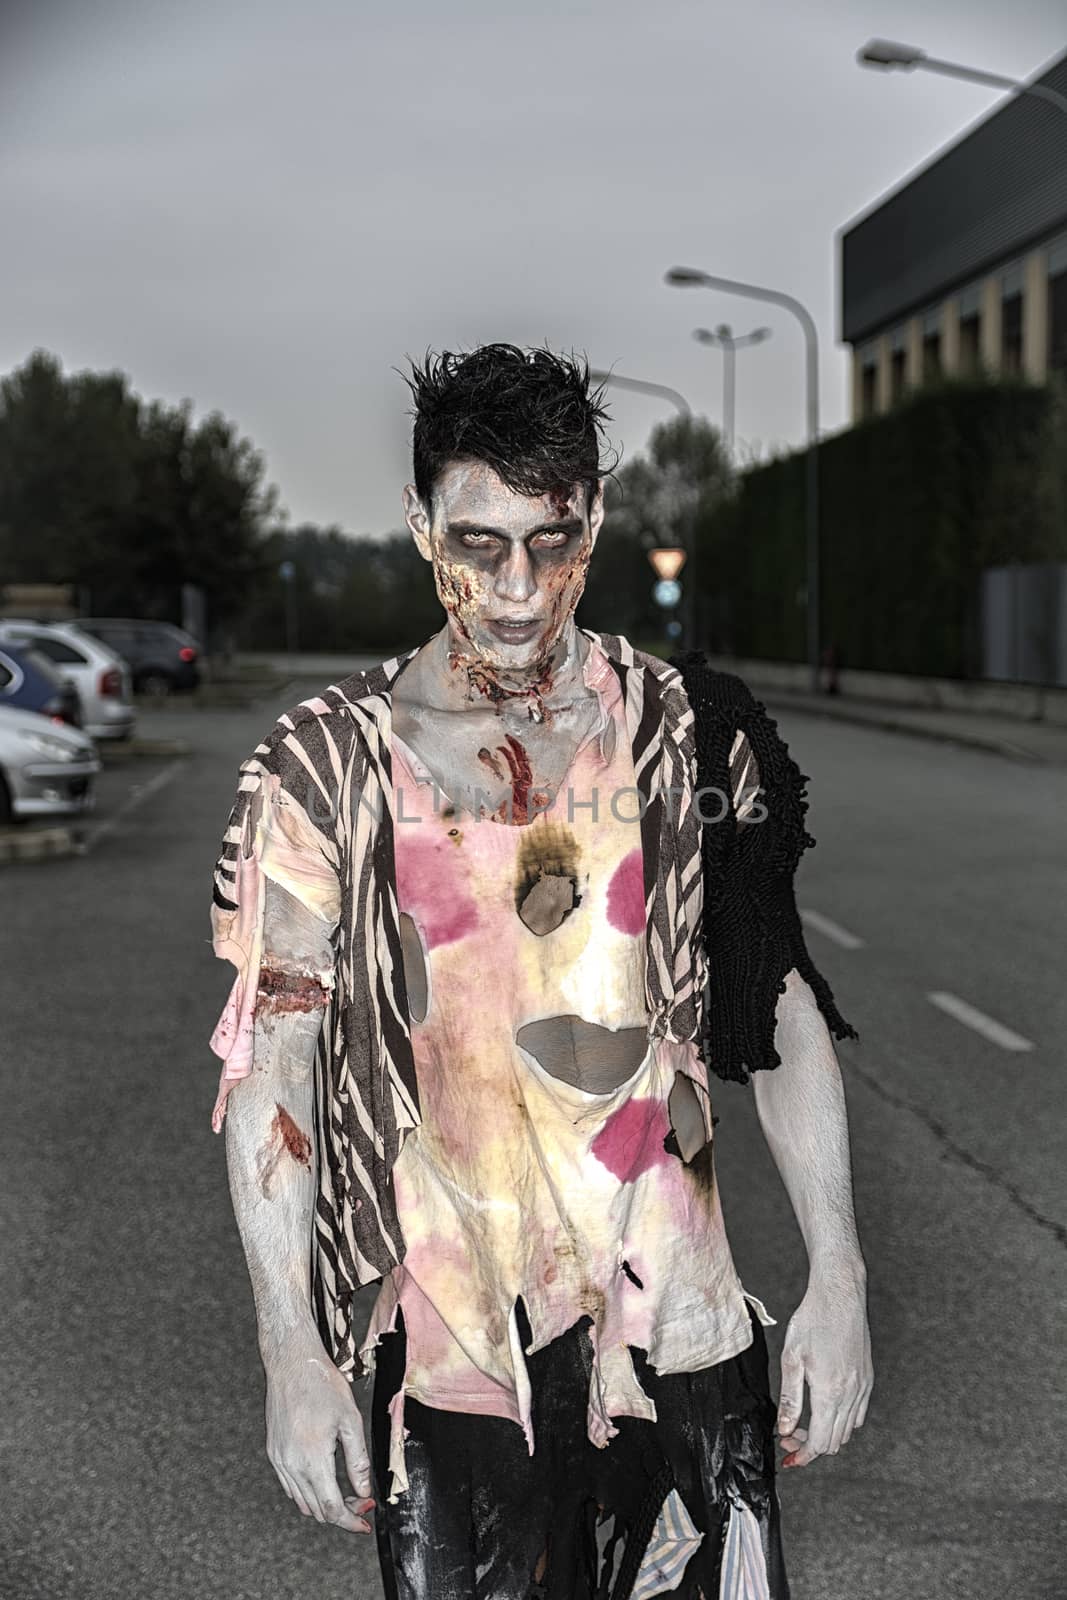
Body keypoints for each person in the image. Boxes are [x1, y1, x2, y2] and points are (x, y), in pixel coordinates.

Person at [207, 344, 873, 1600]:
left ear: (597, 517)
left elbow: (773, 1013)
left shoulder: (686, 733)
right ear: (418, 526)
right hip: (457, 1369)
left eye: (550, 539)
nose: (518, 588)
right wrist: (288, 1349)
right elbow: (273, 1067)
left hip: (681, 1339)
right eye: (477, 542)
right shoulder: (326, 773)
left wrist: (836, 1279)